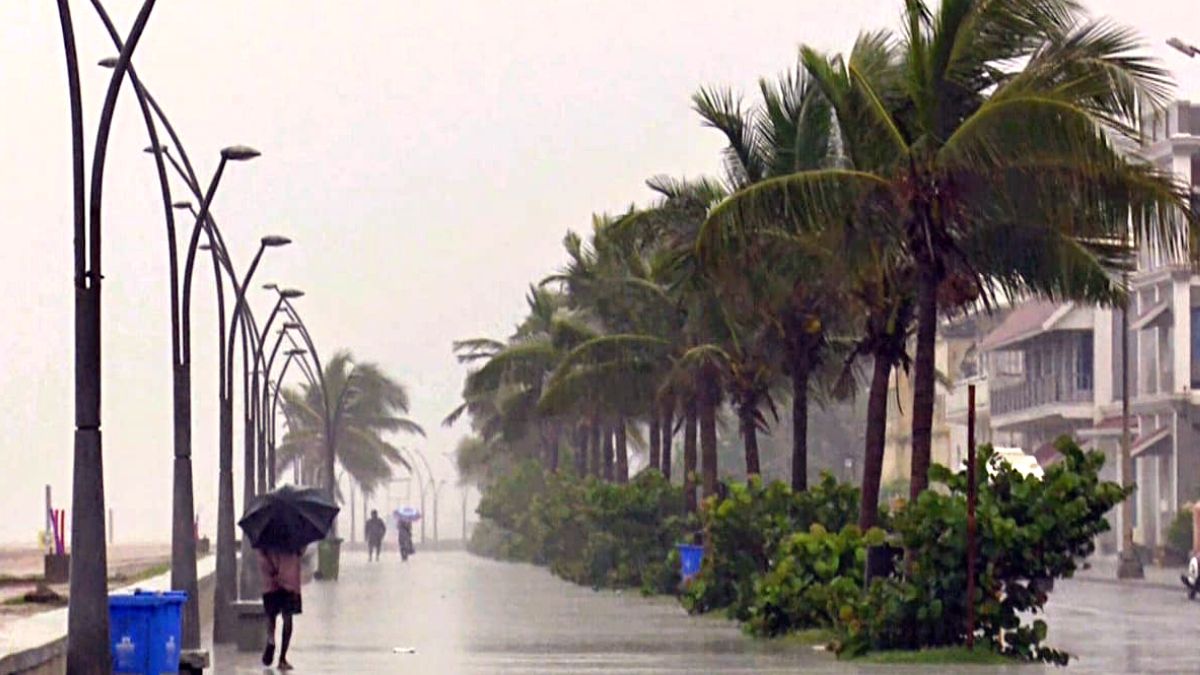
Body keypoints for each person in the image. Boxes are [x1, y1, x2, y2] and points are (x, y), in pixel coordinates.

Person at [257, 546, 303, 670]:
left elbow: (261, 555)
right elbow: (300, 552)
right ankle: (282, 658)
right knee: (287, 619)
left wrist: (271, 571)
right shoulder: (295, 534)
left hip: (272, 582)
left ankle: (271, 640)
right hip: (289, 581)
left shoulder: (266, 535)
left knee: (271, 616)